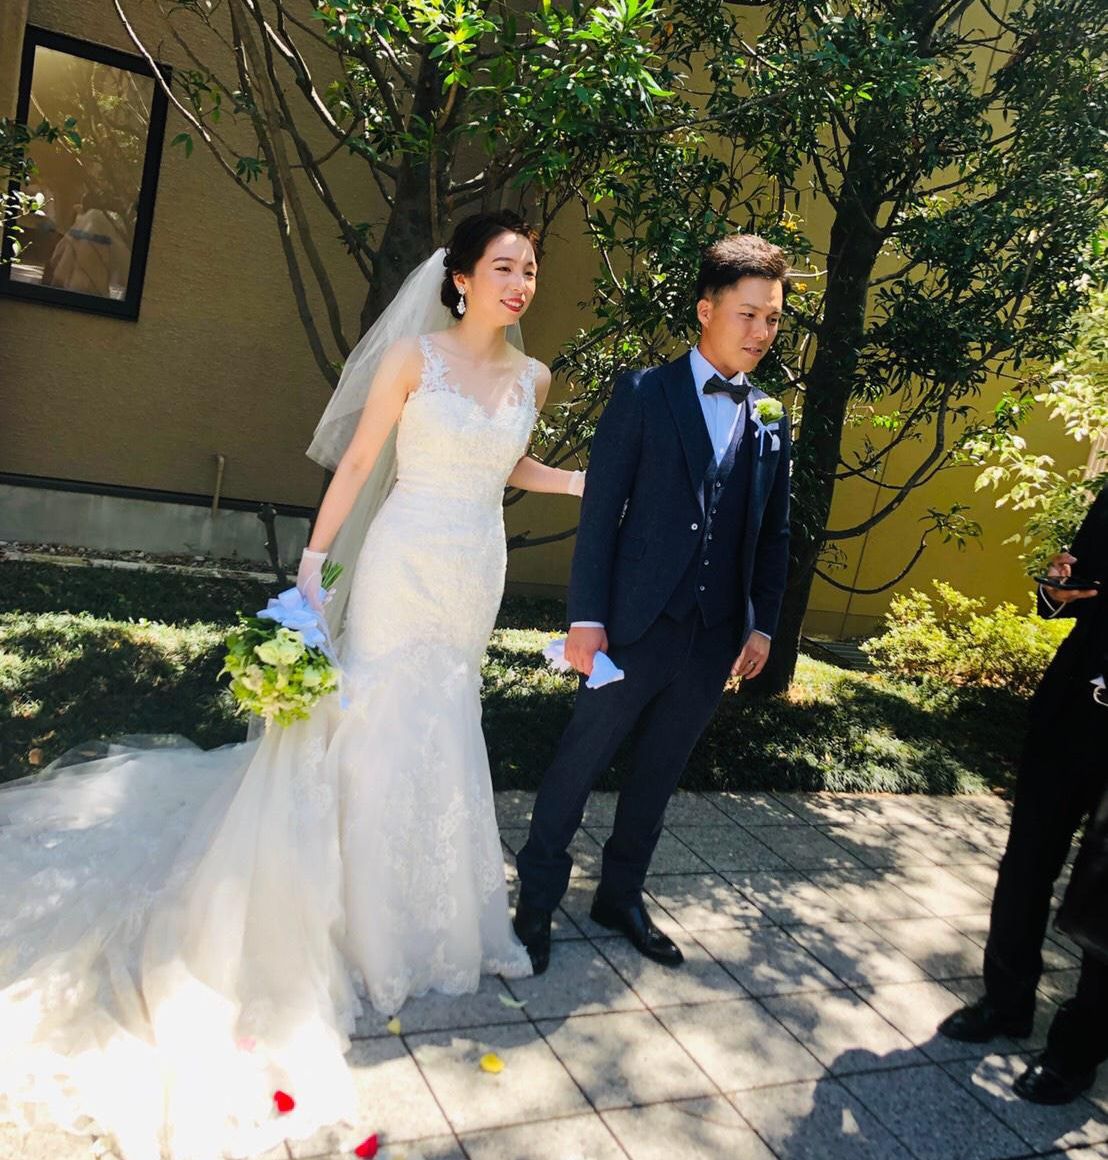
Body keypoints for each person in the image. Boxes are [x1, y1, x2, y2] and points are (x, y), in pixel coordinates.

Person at [0, 210, 585, 1160]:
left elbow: (504, 460)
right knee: (378, 717)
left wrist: (575, 483)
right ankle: (351, 919)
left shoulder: (533, 377)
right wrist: (315, 562)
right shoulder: (415, 360)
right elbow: (362, 458)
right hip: (403, 558)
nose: (521, 285)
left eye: (531, 271)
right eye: (505, 267)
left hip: (475, 567)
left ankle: (435, 914)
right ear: (462, 278)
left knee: (446, 719)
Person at [513, 233, 792, 974]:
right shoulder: (643, 393)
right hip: (631, 625)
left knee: (659, 774)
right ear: (706, 309)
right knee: (579, 763)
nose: (761, 331)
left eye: (772, 318)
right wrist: (585, 619)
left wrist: (762, 624)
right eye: (748, 314)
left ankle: (620, 895)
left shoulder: (772, 414)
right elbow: (602, 511)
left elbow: (773, 533)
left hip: (713, 635)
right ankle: (535, 899)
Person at [939, 484, 1108, 1104]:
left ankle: (1077, 1051)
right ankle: (1006, 1002)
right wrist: (1057, 589)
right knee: (1025, 864)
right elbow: (1077, 586)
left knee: (1106, 896)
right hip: (1073, 711)